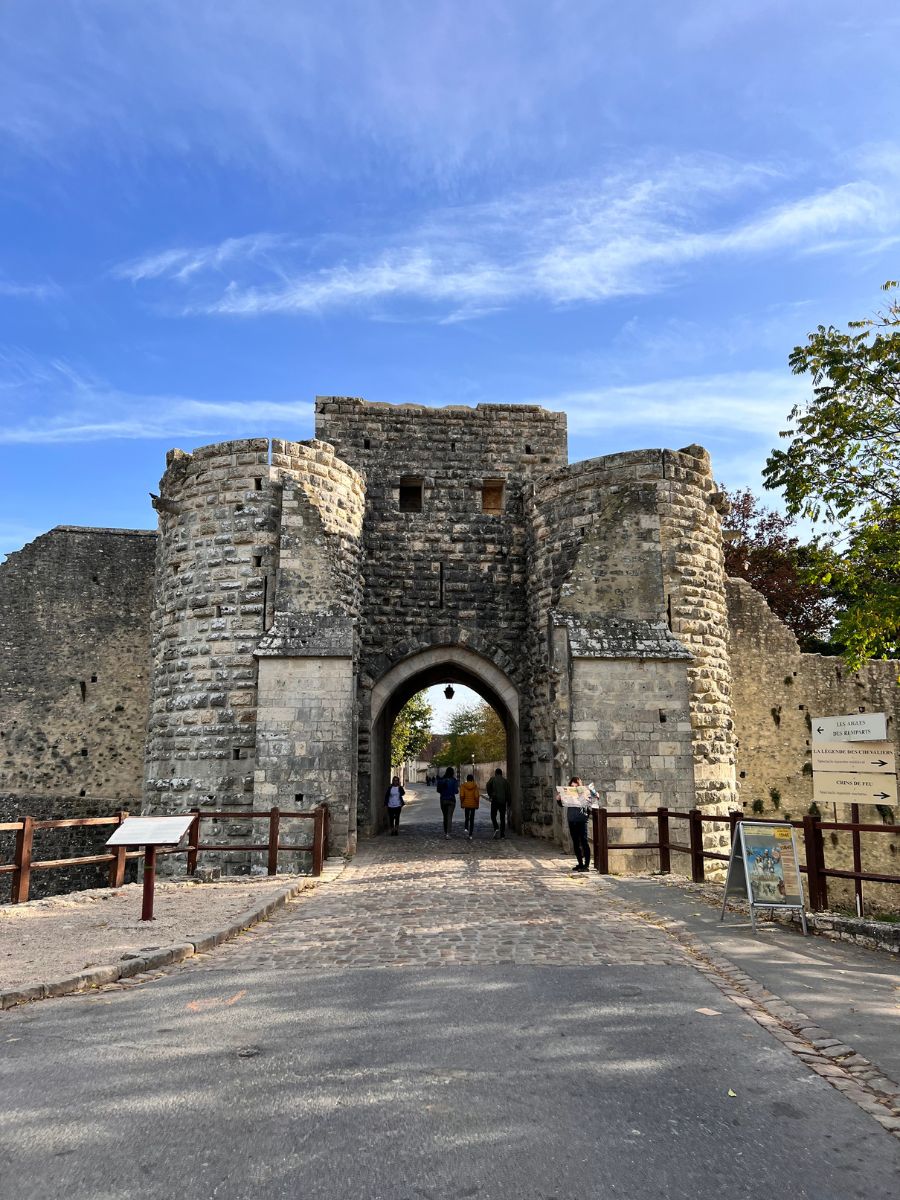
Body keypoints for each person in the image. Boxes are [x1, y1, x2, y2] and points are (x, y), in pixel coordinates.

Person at [557, 775, 594, 872]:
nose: (574, 786)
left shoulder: (585, 792)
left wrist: (584, 797)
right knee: (576, 843)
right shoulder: (569, 793)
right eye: (572, 785)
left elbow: (589, 805)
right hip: (572, 820)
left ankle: (586, 865)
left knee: (584, 842)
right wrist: (559, 799)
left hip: (581, 820)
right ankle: (580, 864)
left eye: (576, 785)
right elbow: (562, 804)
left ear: (579, 785)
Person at [486, 767, 511, 839]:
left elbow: (488, 785)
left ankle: (496, 827)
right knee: (502, 818)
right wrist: (509, 801)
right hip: (503, 801)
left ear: (496, 773)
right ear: (501, 773)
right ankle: (502, 834)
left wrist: (490, 794)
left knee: (493, 815)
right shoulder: (505, 781)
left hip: (495, 799)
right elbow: (508, 792)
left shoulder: (493, 779)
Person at [436, 767, 459, 838]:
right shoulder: (454, 780)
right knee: (449, 817)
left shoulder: (441, 780)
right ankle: (448, 833)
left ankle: (445, 831)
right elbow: (456, 791)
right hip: (451, 800)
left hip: (443, 799)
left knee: (445, 816)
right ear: (452, 773)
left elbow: (438, 790)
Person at [460, 773, 480, 840]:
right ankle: (470, 834)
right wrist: (477, 804)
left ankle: (466, 828)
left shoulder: (463, 786)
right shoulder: (475, 786)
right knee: (472, 819)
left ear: (467, 779)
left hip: (466, 804)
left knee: (466, 816)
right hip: (473, 804)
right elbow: (476, 796)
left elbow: (462, 795)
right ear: (472, 779)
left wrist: (462, 803)